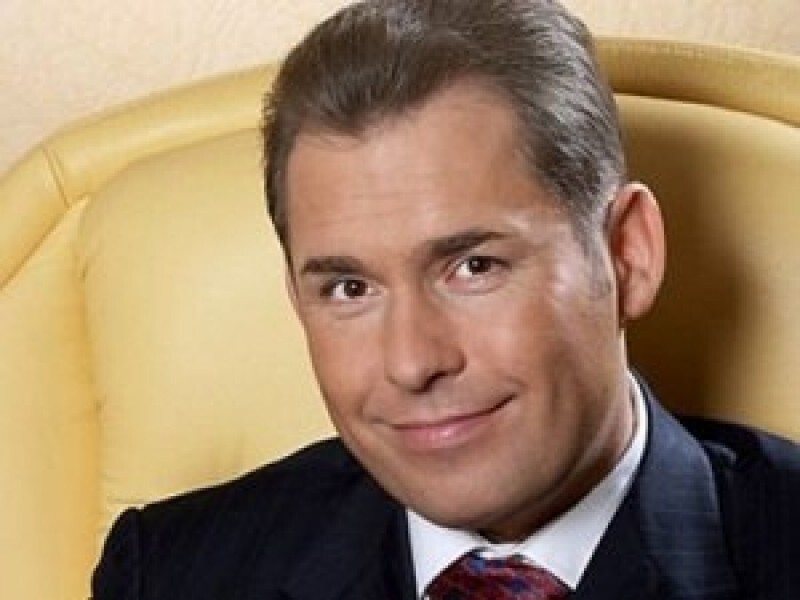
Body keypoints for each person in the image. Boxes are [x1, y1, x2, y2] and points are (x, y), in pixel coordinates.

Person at [92, 1, 800, 598]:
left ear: (627, 255)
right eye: (349, 288)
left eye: (474, 267)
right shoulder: (171, 575)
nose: (411, 362)